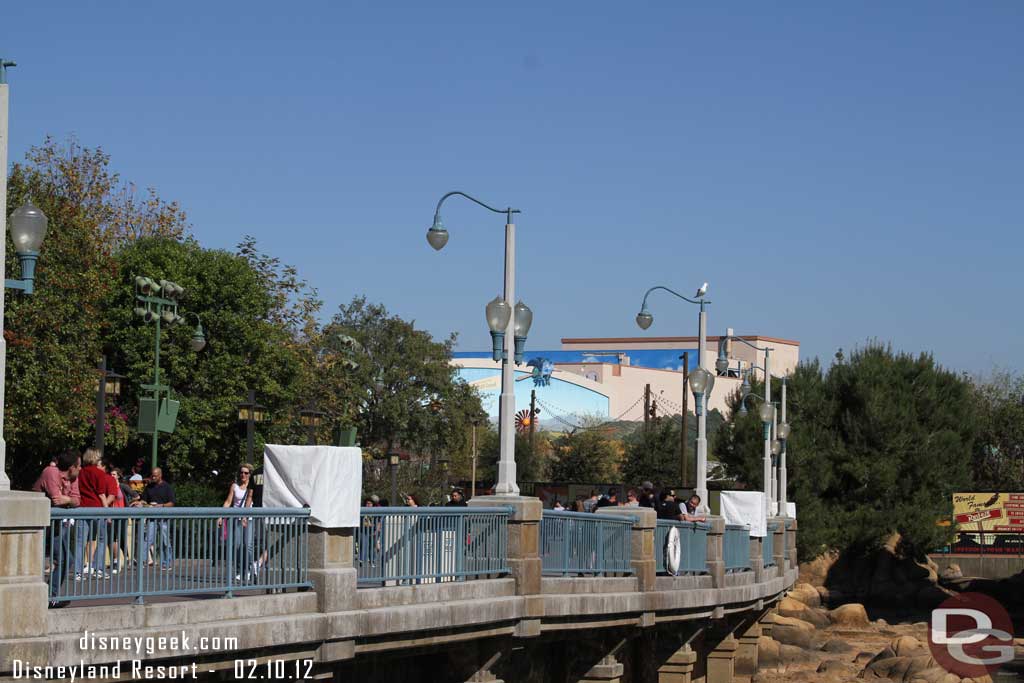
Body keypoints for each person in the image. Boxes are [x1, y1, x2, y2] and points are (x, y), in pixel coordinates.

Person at [33, 449, 80, 605]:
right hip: (37, 522)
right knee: (49, 560)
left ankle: (49, 596)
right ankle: (46, 598)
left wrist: (67, 499)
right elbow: (55, 500)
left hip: (56, 524)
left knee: (68, 559)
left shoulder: (73, 478)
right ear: (72, 467)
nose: (80, 469)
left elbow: (77, 500)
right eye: (79, 466)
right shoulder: (51, 471)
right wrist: (69, 500)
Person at [76, 448, 117, 579]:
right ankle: (98, 568)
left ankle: (78, 571)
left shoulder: (80, 472)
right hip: (97, 508)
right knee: (101, 539)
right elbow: (101, 494)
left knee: (80, 541)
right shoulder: (99, 473)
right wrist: (107, 512)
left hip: (82, 508)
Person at [218, 464, 255, 581]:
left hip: (248, 519)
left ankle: (249, 570)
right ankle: (239, 571)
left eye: (246, 473)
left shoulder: (252, 486)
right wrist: (220, 516)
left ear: (250, 475)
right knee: (238, 546)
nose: (243, 475)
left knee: (248, 546)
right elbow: (228, 502)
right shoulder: (235, 486)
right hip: (237, 519)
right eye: (241, 472)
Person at [135, 467, 176, 571]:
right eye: (152, 475)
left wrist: (161, 506)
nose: (153, 477)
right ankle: (142, 561)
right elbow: (144, 500)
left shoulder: (167, 487)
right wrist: (141, 503)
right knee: (147, 539)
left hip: (163, 517)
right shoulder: (149, 487)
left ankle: (166, 562)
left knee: (165, 540)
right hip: (152, 517)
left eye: (155, 475)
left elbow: (171, 503)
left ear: (160, 475)